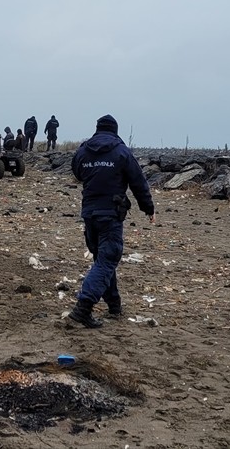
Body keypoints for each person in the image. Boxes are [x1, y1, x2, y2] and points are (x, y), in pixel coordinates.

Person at [68, 114, 155, 328]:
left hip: (89, 213)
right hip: (110, 214)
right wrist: (148, 208)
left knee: (103, 259)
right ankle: (83, 308)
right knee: (108, 259)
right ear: (115, 130)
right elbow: (138, 182)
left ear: (97, 129)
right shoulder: (122, 152)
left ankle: (114, 305)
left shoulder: (84, 150)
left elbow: (77, 172)